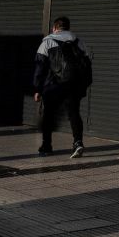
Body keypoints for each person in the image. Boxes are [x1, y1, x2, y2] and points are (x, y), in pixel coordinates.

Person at [33, 16, 93, 159]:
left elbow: (40, 67)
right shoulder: (79, 42)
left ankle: (46, 146)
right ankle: (77, 142)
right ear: (67, 27)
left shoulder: (47, 42)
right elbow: (88, 66)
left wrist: (37, 89)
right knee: (74, 114)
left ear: (54, 28)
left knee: (48, 116)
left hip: (53, 86)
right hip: (73, 85)